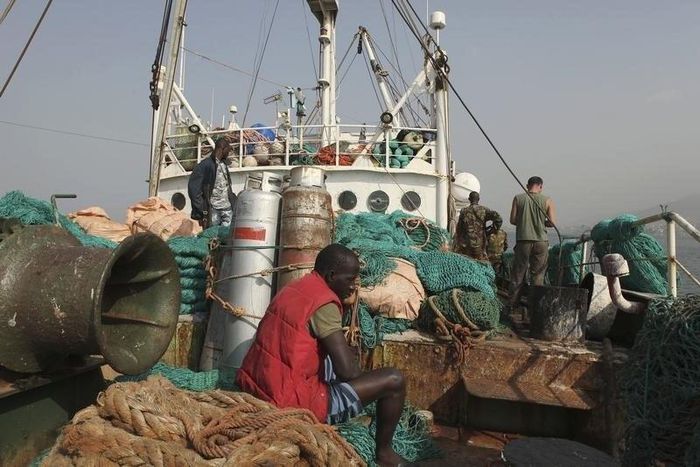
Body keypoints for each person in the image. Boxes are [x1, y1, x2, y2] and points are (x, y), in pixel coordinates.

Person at [237, 244, 408, 467]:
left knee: (328, 356)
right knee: (394, 380)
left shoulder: (294, 288)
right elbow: (348, 372)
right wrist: (359, 369)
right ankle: (384, 453)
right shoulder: (324, 304)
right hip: (290, 401)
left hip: (260, 385)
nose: (354, 287)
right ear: (331, 275)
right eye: (349, 279)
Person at [508, 176, 557, 307]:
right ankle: (534, 307)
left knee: (518, 273)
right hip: (541, 241)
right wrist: (542, 223)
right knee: (538, 275)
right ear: (540, 186)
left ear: (527, 185)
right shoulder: (547, 200)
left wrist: (525, 221)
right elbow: (552, 222)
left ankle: (513, 305)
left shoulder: (518, 198)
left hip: (523, 240)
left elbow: (512, 220)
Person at [187, 138, 236, 227]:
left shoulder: (224, 164)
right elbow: (193, 189)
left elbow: (227, 185)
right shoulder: (204, 165)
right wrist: (201, 209)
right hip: (213, 210)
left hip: (227, 209)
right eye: (227, 151)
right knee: (212, 238)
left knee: (226, 236)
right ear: (222, 149)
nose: (228, 154)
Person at [454, 191, 503, 261]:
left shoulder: (464, 211)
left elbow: (459, 229)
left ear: (469, 199)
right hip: (480, 245)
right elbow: (498, 219)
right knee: (481, 263)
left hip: (467, 245)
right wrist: (492, 231)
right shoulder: (484, 210)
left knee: (469, 264)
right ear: (479, 199)